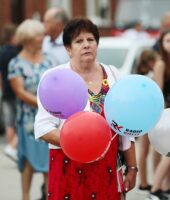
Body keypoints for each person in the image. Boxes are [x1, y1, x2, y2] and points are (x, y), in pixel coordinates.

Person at [34, 17, 137, 200]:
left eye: (90, 40)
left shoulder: (113, 74)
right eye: (79, 41)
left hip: (107, 167)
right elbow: (43, 128)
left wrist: (132, 167)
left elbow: (125, 127)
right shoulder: (55, 79)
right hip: (69, 166)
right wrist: (81, 144)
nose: (86, 45)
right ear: (68, 49)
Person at [8, 19, 57, 200]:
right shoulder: (16, 63)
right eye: (38, 35)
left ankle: (49, 195)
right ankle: (26, 196)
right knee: (28, 162)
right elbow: (20, 92)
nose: (42, 38)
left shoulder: (50, 59)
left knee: (49, 161)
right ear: (27, 38)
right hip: (28, 121)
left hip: (52, 119)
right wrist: (44, 104)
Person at [148, 29, 170, 200]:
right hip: (166, 112)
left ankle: (167, 187)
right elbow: (158, 90)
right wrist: (163, 115)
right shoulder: (161, 63)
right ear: (161, 44)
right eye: (168, 40)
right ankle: (154, 189)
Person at [135, 49, 158, 193]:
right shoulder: (150, 76)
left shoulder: (140, 77)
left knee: (144, 149)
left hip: (142, 114)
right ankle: (143, 182)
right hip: (147, 115)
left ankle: (143, 181)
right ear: (150, 62)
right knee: (144, 149)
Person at [0, 24, 19, 162]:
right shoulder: (17, 53)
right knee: (19, 121)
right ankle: (14, 148)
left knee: (9, 123)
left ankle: (10, 147)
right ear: (13, 37)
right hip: (18, 92)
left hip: (6, 92)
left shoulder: (1, 53)